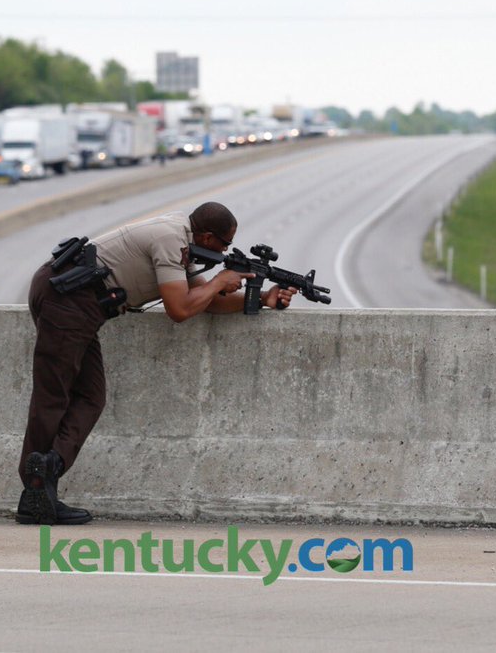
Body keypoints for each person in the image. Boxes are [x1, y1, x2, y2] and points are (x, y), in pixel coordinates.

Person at [16, 202, 298, 525]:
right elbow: (179, 309)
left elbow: (201, 302)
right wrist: (218, 282)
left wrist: (263, 299)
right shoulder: (171, 239)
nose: (225, 250)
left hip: (81, 304)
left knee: (92, 396)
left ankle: (48, 469)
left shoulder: (182, 239)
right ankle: (34, 493)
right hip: (65, 296)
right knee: (53, 396)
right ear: (206, 237)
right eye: (224, 244)